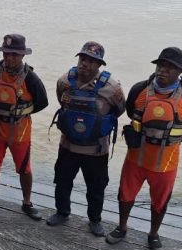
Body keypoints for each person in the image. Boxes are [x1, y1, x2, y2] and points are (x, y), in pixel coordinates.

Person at [106, 47, 182, 250]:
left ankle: (153, 234)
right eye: (161, 65)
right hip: (136, 159)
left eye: (170, 67)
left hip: (166, 163)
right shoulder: (139, 90)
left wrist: (170, 139)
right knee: (125, 195)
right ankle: (122, 227)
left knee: (160, 201)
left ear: (180, 72)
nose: (164, 70)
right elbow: (132, 111)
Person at [46, 42, 125, 237]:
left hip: (96, 150)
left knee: (96, 187)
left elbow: (120, 109)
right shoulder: (65, 81)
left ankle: (95, 220)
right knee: (63, 181)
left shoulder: (111, 87)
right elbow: (61, 101)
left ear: (99, 65)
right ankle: (62, 212)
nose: (85, 64)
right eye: (83, 59)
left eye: (91, 61)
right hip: (68, 145)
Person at [0, 34, 49, 219]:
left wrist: (20, 113)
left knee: (24, 168)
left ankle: (27, 202)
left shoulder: (31, 78)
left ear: (23, 56)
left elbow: (42, 102)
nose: (9, 58)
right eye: (6, 53)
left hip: (20, 131)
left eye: (14, 54)